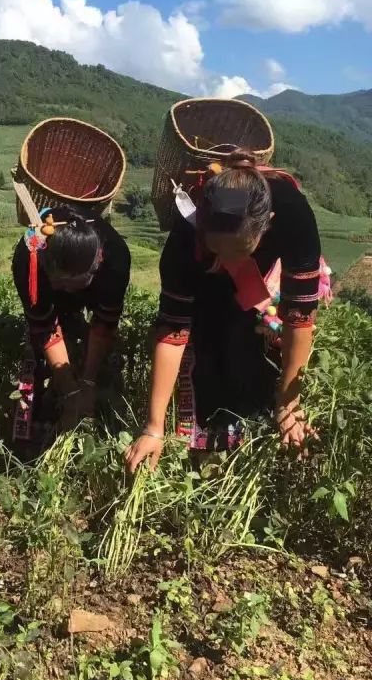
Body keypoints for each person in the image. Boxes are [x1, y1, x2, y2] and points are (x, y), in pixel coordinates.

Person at [126, 150, 330, 473]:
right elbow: (172, 329)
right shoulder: (186, 238)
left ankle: (262, 416)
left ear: (268, 226)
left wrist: (291, 405)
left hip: (260, 281)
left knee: (250, 353)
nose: (230, 261)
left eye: (241, 250)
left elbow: (300, 315)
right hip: (204, 283)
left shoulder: (292, 214)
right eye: (220, 249)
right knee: (206, 348)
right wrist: (153, 427)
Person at [12, 206, 131, 442]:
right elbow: (44, 327)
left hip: (96, 286)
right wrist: (70, 390)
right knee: (39, 355)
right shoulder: (29, 262)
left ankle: (107, 414)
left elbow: (103, 325)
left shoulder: (115, 260)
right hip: (41, 283)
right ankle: (36, 430)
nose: (64, 288)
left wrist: (87, 382)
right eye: (60, 283)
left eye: (72, 284)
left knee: (99, 362)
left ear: (96, 265)